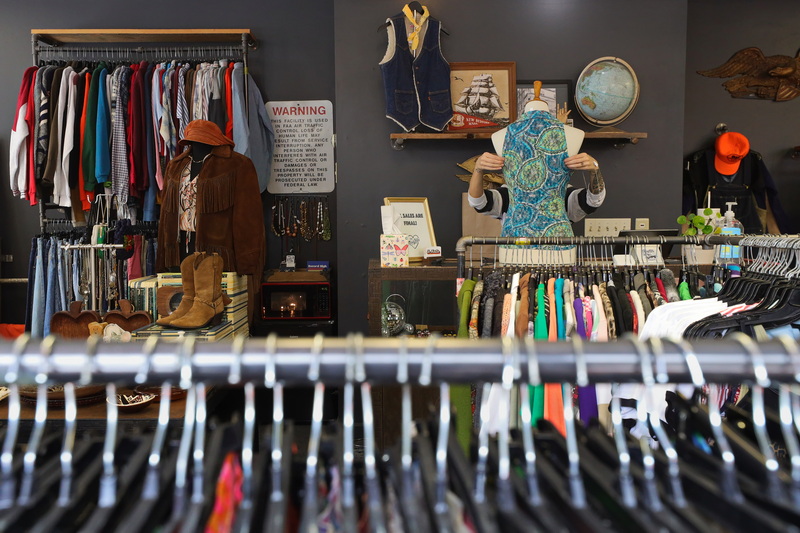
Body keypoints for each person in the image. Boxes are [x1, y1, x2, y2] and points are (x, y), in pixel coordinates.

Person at [467, 96, 606, 264]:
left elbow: (593, 200)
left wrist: (594, 168)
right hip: (555, 244)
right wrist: (479, 169)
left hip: (517, 244)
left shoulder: (503, 135)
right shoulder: (569, 134)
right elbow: (478, 202)